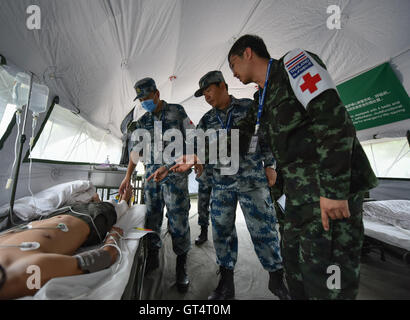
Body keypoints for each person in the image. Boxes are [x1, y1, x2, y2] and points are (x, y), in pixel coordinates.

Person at [227, 34, 378, 299]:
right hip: (298, 199)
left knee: (329, 278)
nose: (234, 74)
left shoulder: (294, 65)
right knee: (296, 270)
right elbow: (239, 137)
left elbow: (333, 120)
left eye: (233, 66)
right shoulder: (261, 98)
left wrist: (334, 190)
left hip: (326, 193)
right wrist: (196, 157)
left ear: (247, 53)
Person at [156, 71, 290, 300]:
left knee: (265, 229)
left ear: (223, 86)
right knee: (222, 232)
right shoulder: (207, 120)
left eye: (209, 90)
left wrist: (271, 165)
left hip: (252, 181)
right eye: (203, 93)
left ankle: (277, 278)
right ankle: (226, 283)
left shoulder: (248, 107)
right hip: (222, 183)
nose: (207, 97)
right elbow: (192, 148)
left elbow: (265, 136)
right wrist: (167, 166)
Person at [0, 186, 133, 300]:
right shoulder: (27, 273)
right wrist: (113, 236)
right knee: (118, 204)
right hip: (92, 219)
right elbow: (104, 257)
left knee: (97, 198)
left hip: (57, 215)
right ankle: (126, 202)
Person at [118, 77, 195, 293]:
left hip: (175, 180)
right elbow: (134, 154)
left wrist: (173, 165)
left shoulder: (177, 112)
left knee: (178, 221)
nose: (143, 102)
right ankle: (152, 255)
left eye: (146, 97)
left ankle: (182, 264)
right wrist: (127, 178)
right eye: (140, 99)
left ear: (157, 93)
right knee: (151, 218)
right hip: (152, 182)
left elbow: (193, 140)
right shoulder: (143, 122)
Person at [194, 168, 212, 246]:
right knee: (202, 206)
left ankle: (223, 236)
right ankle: (203, 232)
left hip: (223, 175)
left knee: (222, 210)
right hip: (205, 173)